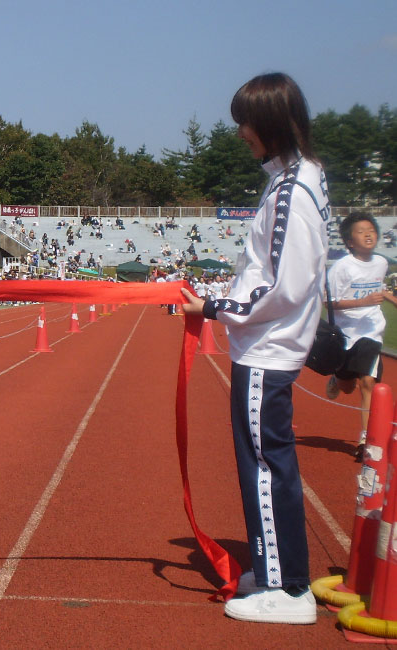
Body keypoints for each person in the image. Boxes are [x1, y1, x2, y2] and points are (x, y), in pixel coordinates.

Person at [182, 72, 329, 624]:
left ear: (270, 122)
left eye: (246, 120)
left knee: (266, 467)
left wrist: (217, 309)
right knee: (265, 464)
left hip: (268, 350)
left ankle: (288, 589)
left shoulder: (294, 189)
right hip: (266, 345)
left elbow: (285, 283)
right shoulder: (292, 179)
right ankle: (276, 571)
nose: (241, 131)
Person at [325, 213, 397, 458]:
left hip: (371, 331)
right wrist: (363, 301)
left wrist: (389, 298)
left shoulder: (381, 263)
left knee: (368, 382)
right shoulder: (341, 268)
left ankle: (367, 440)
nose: (368, 234)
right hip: (346, 333)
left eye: (372, 230)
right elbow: (329, 303)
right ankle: (337, 377)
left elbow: (378, 287)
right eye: (361, 231)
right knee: (347, 387)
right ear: (349, 241)